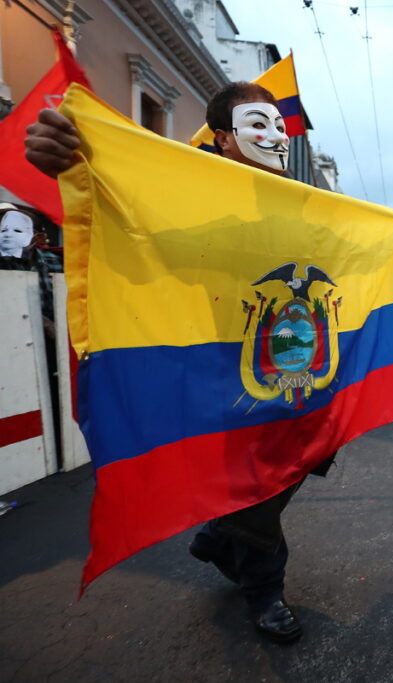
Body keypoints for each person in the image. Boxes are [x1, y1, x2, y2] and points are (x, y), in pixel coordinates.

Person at [26, 82, 310, 643]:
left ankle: (219, 531)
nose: (276, 136)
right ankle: (263, 590)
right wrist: (73, 161)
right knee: (258, 482)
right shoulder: (187, 187)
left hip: (290, 365)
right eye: (259, 125)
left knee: (300, 457)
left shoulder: (296, 200)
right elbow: (127, 212)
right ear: (223, 141)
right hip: (218, 370)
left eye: (280, 126)